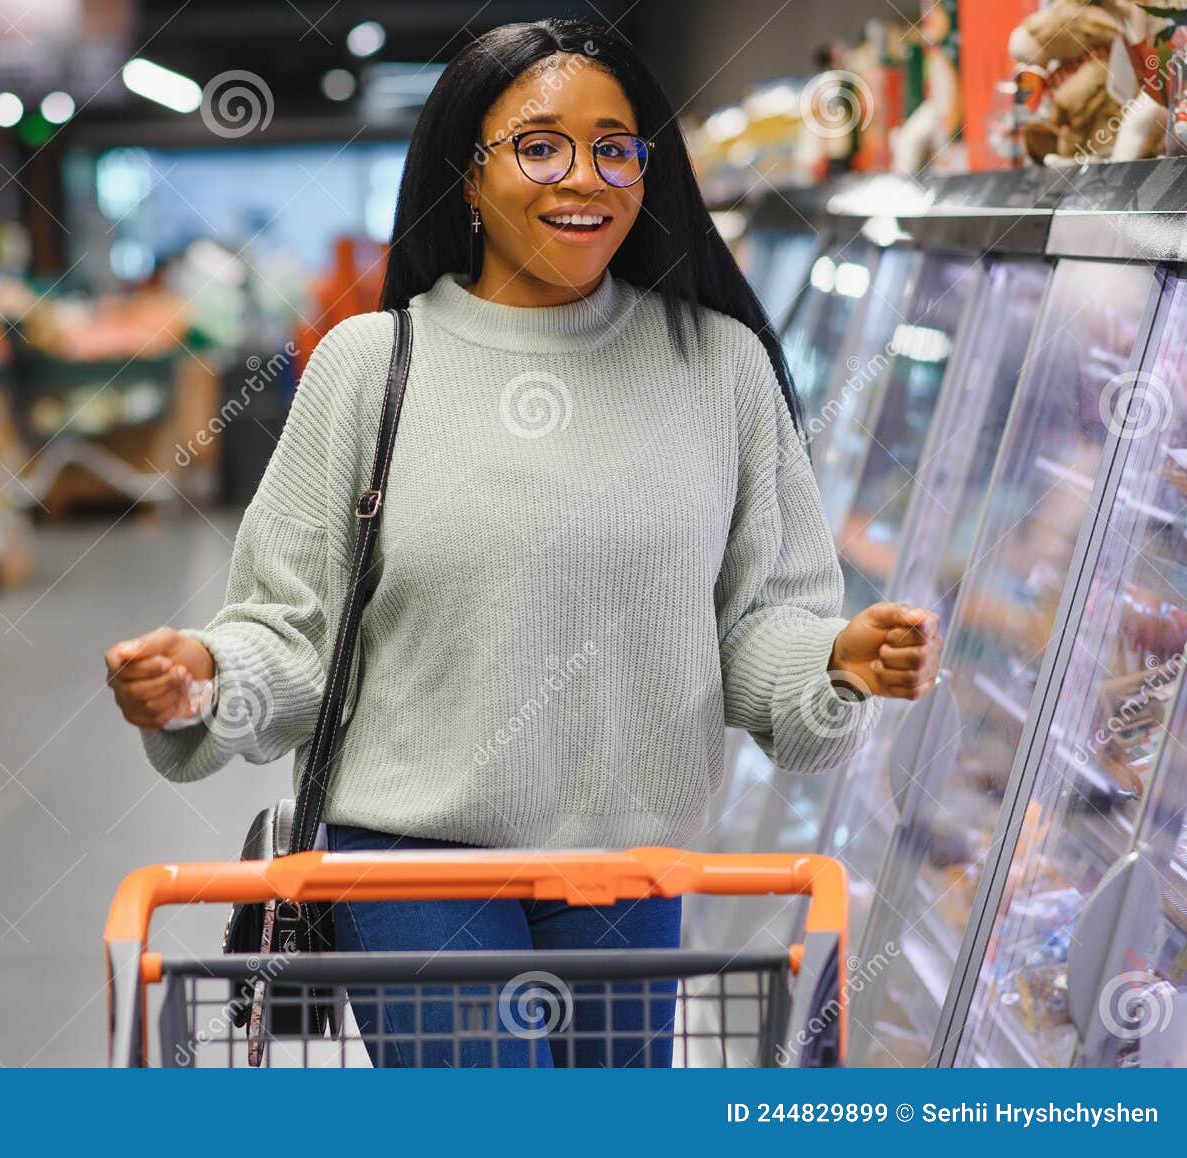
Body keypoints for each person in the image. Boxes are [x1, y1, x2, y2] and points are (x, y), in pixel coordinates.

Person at [106, 18, 943, 1068]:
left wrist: (833, 659)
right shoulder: (371, 366)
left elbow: (753, 625)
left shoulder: (717, 365)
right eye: (540, 146)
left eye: (614, 145)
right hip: (411, 866)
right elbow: (292, 632)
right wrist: (206, 674)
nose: (581, 177)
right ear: (465, 173)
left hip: (629, 861)